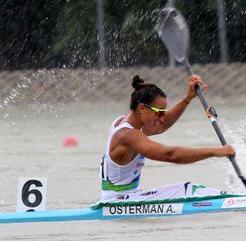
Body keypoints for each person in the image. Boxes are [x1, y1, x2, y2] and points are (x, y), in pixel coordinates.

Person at [99, 74, 235, 202]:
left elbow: (161, 127)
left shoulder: (127, 123)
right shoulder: (128, 135)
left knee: (188, 190)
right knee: (189, 190)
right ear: (142, 108)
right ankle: (233, 201)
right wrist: (216, 151)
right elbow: (170, 155)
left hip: (124, 198)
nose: (162, 118)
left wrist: (187, 98)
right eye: (159, 113)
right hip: (118, 202)